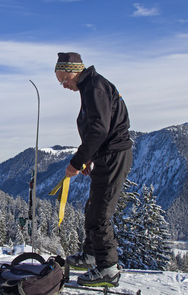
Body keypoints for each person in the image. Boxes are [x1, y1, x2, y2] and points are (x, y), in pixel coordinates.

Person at [55, 52, 133, 287]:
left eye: (63, 80)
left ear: (73, 71)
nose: (64, 86)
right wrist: (89, 158)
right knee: (93, 207)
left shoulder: (95, 87)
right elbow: (98, 129)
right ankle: (91, 256)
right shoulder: (91, 86)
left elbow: (99, 129)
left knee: (100, 214)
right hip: (107, 156)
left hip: (113, 157)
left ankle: (108, 270)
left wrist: (77, 162)